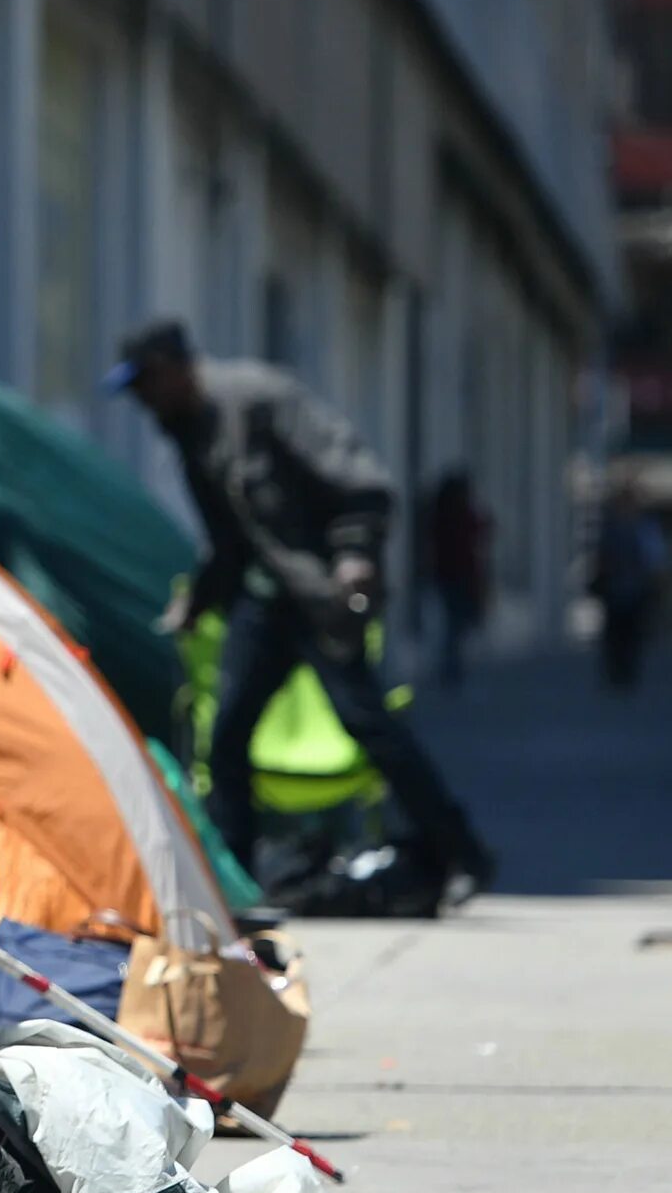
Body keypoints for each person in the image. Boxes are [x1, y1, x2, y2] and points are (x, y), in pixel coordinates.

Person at [107, 320, 494, 906]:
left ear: (174, 367)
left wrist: (355, 557)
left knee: (369, 725)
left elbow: (361, 481)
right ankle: (233, 883)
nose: (141, 401)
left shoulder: (259, 398)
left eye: (146, 384)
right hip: (264, 602)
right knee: (229, 734)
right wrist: (201, 598)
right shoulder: (189, 431)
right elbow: (232, 536)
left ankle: (462, 854)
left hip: (321, 598)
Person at [591, 483, 666, 691]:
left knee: (631, 633)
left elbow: (651, 557)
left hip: (633, 588)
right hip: (617, 588)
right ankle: (616, 671)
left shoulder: (641, 527)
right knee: (616, 633)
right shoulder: (614, 527)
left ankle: (626, 671)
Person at [425, 470, 491, 689]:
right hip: (460, 576)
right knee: (456, 626)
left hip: (447, 575)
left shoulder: (441, 516)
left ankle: (452, 669)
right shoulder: (459, 515)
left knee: (453, 625)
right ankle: (452, 669)